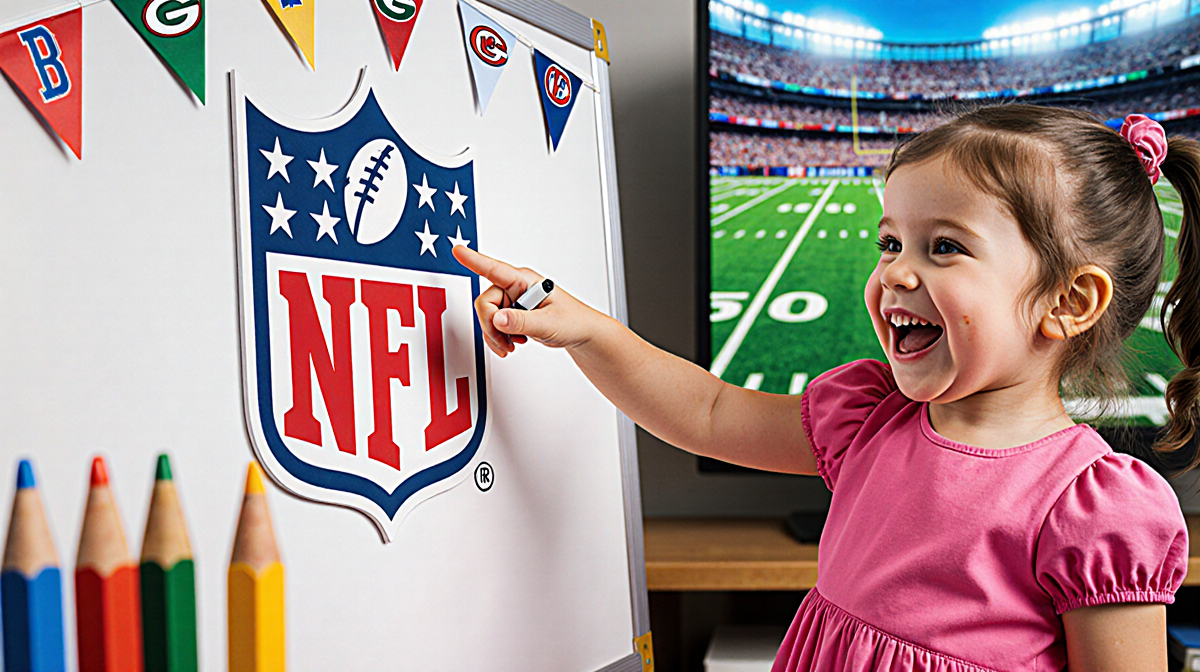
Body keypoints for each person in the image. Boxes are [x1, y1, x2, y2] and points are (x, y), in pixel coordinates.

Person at [453, 105, 1194, 670]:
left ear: (1069, 302)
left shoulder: (1096, 507)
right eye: (891, 243)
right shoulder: (870, 419)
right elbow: (708, 412)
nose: (896, 273)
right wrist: (589, 330)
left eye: (944, 247)